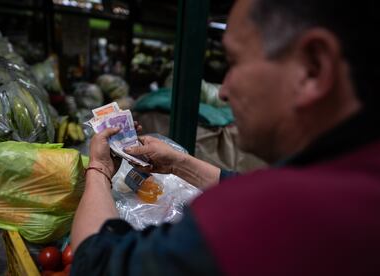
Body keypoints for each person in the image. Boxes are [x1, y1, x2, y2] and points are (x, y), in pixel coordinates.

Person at [71, 0, 380, 275]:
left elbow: (96, 263)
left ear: (313, 68)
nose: (223, 90)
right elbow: (239, 182)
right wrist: (179, 163)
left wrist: (99, 169)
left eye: (234, 62)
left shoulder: (268, 214)